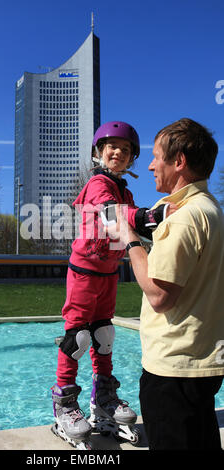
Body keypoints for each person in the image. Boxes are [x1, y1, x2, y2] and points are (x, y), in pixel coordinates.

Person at [51, 121, 173, 448]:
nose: (117, 152)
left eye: (125, 149)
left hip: (108, 272)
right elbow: (112, 217)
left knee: (104, 335)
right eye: (111, 147)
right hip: (84, 271)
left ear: (132, 157)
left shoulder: (126, 191)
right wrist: (151, 217)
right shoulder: (99, 184)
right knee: (77, 336)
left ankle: (103, 396)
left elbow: (129, 218)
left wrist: (163, 225)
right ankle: (64, 403)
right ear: (100, 152)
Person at [106, 118, 224, 450]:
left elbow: (159, 295)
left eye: (157, 156)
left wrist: (131, 241)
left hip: (173, 371)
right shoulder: (210, 210)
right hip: (200, 364)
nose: (150, 164)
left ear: (179, 161)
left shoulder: (186, 218)